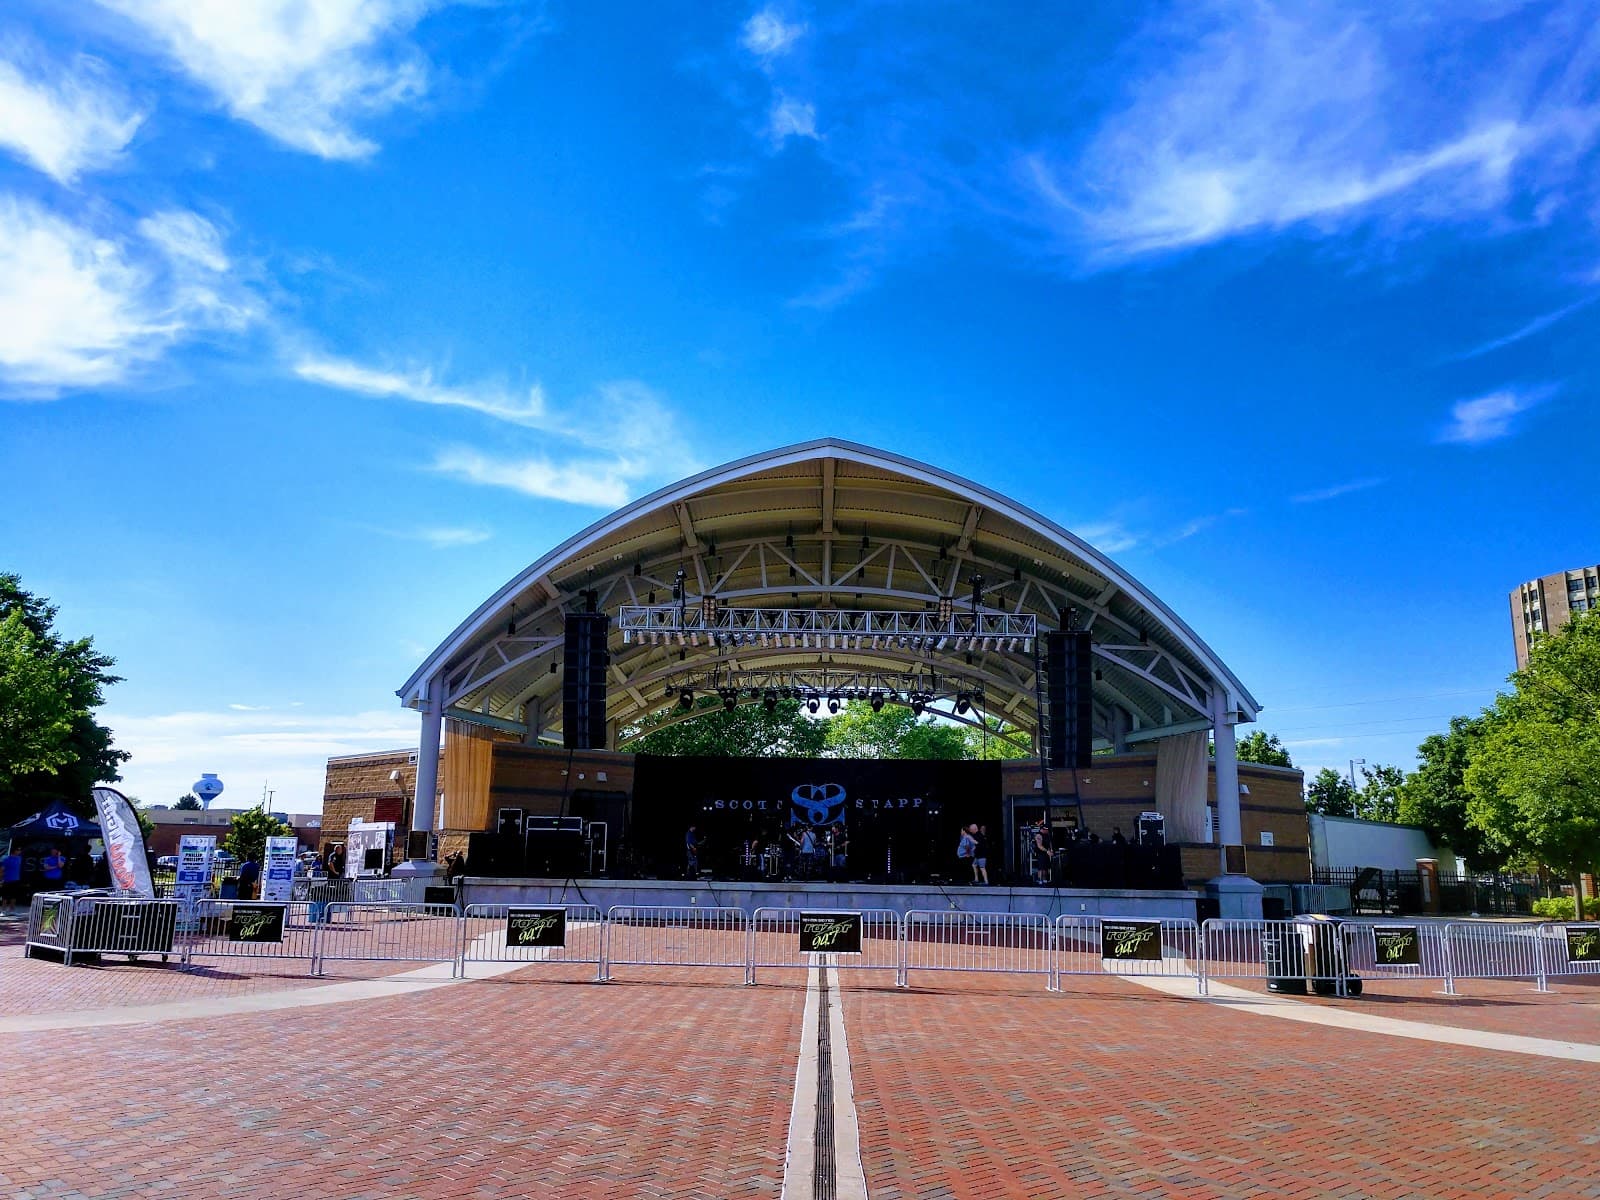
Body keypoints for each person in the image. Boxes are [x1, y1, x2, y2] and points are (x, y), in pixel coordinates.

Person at [1, 846, 23, 917]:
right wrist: (1, 879)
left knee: (14, 896)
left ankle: (12, 910)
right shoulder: (6, 859)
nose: (19, 851)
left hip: (16, 880)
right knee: (5, 896)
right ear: (14, 851)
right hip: (7, 880)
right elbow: (2, 869)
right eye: (18, 850)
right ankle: (3, 911)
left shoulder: (19, 859)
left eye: (20, 850)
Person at [1031, 820, 1053, 886]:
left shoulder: (1047, 835)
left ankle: (1044, 879)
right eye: (1046, 830)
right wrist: (1047, 851)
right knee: (1041, 867)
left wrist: (1051, 850)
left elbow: (1049, 843)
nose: (1047, 831)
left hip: (1046, 853)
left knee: (1046, 867)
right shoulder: (1038, 835)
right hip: (1040, 853)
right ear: (1043, 829)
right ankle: (1040, 880)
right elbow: (1039, 846)